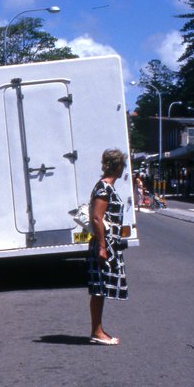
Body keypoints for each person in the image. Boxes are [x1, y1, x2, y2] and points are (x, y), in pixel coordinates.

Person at [88, 148, 129, 346]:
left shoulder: (107, 187)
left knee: (101, 287)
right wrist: (103, 246)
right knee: (99, 288)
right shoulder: (104, 188)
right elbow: (97, 217)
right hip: (104, 244)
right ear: (118, 166)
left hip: (109, 244)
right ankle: (96, 332)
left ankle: (98, 329)